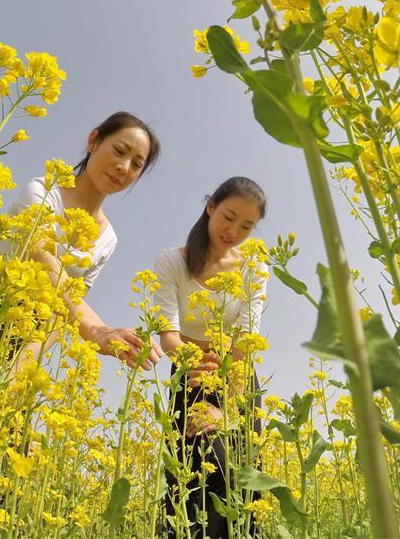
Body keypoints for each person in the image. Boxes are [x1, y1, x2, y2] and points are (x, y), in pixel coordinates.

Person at [0, 111, 164, 536]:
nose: (124, 167)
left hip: (29, 329)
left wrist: (24, 371)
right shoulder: (43, 191)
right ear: (93, 140)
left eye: (137, 164)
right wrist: (97, 331)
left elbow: (65, 305)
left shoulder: (108, 238)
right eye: (119, 151)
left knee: (4, 449)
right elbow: (45, 266)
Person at [152, 176, 268, 539]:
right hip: (191, 374)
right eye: (228, 217)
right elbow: (168, 334)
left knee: (242, 479)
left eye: (247, 226)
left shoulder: (255, 267)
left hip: (237, 376)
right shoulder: (173, 261)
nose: (234, 231)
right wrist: (197, 375)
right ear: (210, 206)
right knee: (193, 479)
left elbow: (247, 337)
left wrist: (226, 405)